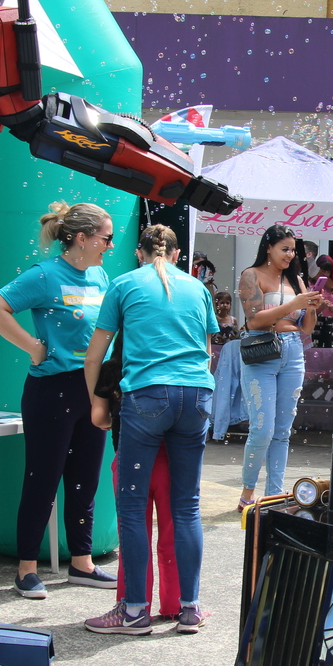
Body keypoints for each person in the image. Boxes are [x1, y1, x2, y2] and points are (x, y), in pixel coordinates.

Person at [83, 225, 218, 635]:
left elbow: (96, 354)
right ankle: (190, 610)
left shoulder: (124, 284)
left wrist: (97, 402)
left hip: (146, 396)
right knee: (187, 506)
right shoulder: (197, 288)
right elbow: (208, 351)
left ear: (140, 253)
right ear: (177, 255)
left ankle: (134, 612)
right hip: (196, 396)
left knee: (131, 505)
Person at [0, 201, 118, 598]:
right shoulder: (45, 275)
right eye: (105, 238)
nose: (109, 245)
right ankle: (27, 568)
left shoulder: (100, 275)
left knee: (86, 478)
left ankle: (82, 562)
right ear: (81, 238)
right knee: (42, 478)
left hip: (93, 388)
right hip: (52, 389)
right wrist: (31, 345)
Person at [236, 225, 321, 511]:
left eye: (293, 250)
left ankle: (273, 493)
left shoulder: (296, 279)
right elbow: (254, 321)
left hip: (294, 351)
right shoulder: (251, 275)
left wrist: (310, 307)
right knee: (262, 428)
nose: (290, 254)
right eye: (284, 248)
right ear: (268, 247)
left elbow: (306, 329)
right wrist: (293, 304)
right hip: (262, 352)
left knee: (282, 430)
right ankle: (247, 492)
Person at [311, 254, 333, 345]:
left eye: (328, 272)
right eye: (322, 271)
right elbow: (304, 308)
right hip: (314, 326)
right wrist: (318, 308)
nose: (325, 275)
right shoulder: (309, 284)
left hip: (331, 328)